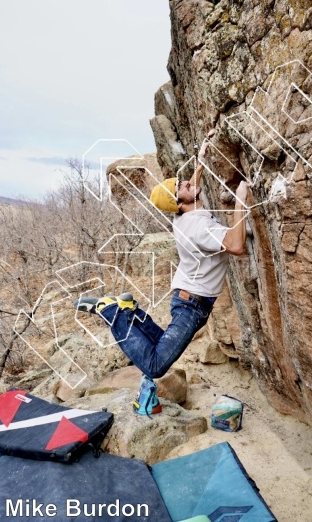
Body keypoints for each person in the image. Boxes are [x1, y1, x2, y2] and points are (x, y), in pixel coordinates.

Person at [75, 135, 249, 415]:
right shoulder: (195, 227)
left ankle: (132, 313)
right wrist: (241, 201)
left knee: (160, 345)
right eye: (181, 186)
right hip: (192, 305)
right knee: (156, 365)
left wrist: (201, 159)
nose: (187, 183)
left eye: (182, 181)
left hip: (188, 299)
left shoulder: (184, 214)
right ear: (179, 202)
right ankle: (114, 314)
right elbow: (236, 246)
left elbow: (189, 188)